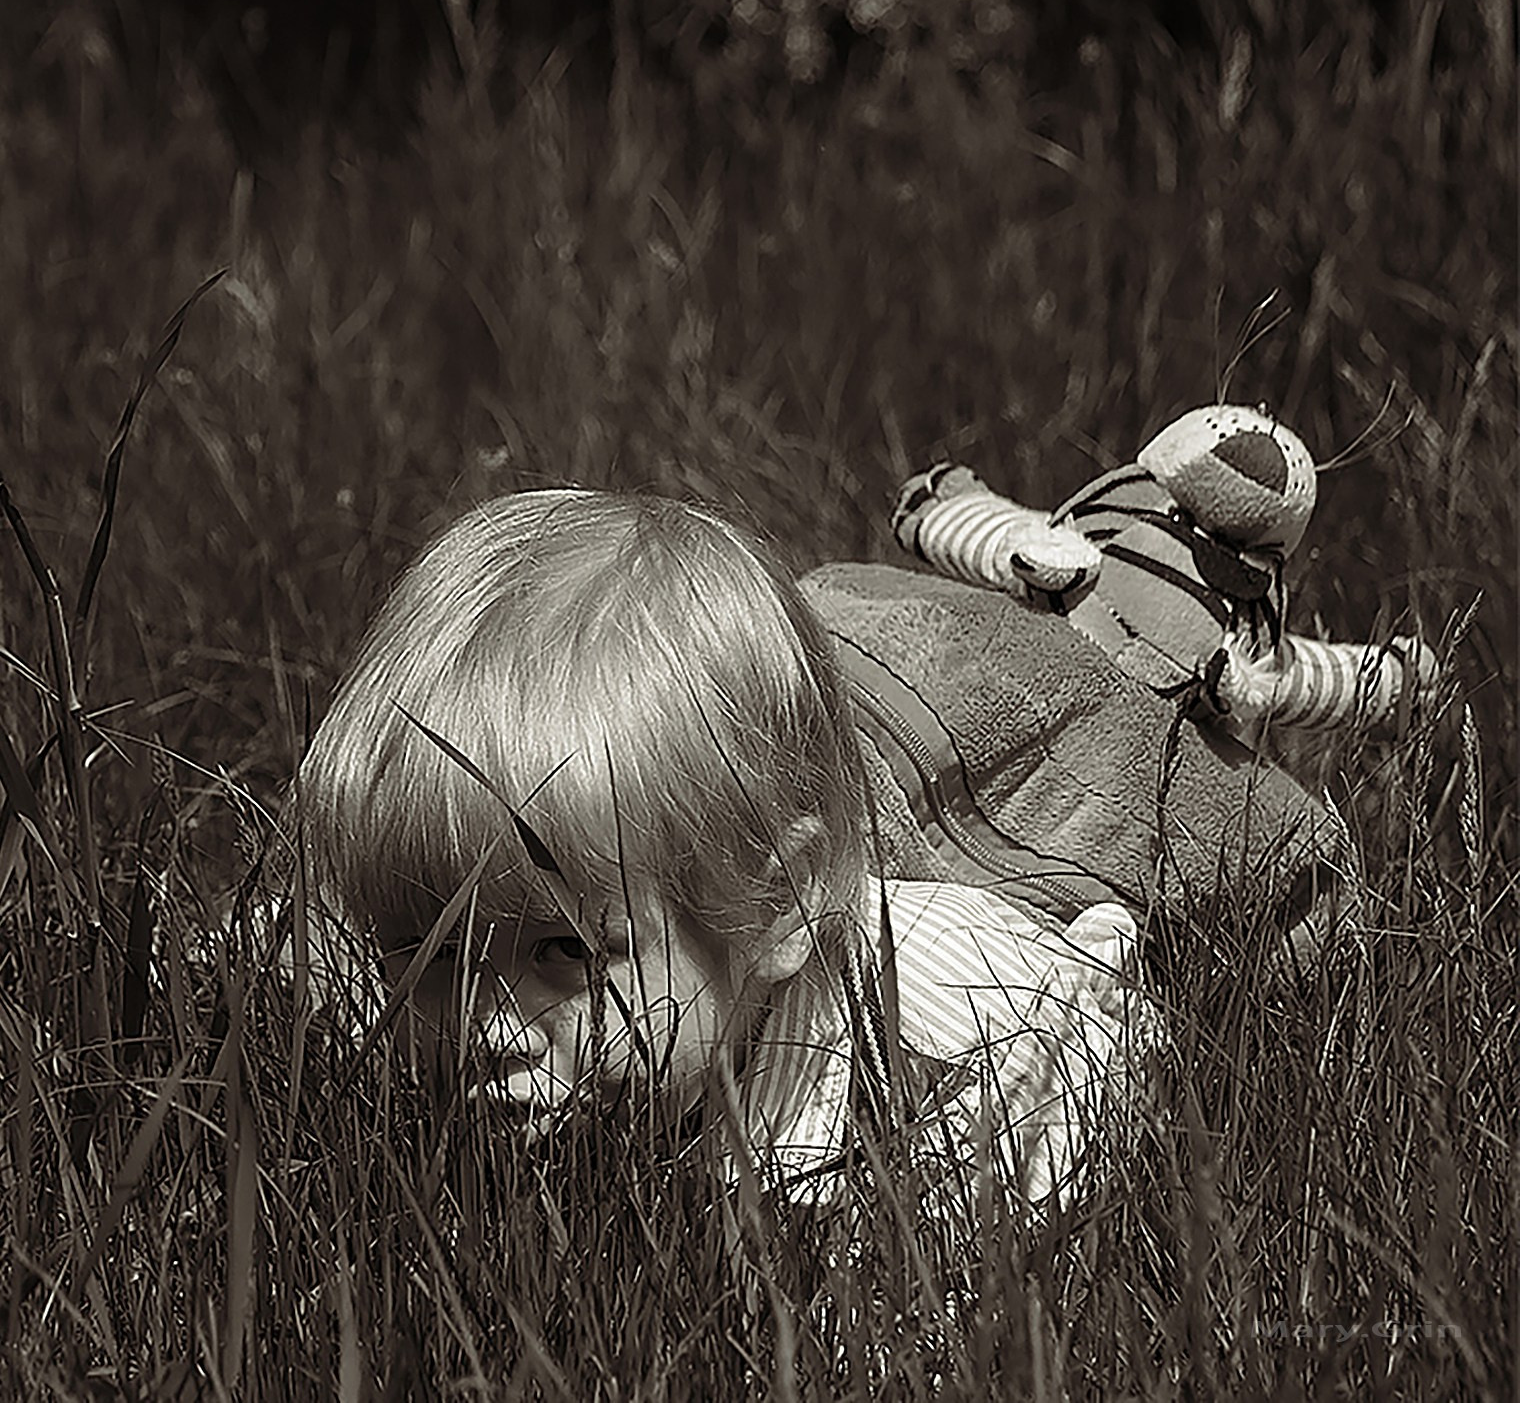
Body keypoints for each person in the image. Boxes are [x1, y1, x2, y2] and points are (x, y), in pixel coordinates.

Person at [297, 489, 1154, 1208]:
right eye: (434, 950)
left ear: (779, 906)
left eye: (566, 951)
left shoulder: (960, 1083)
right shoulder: (448, 1020)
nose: (487, 1028)